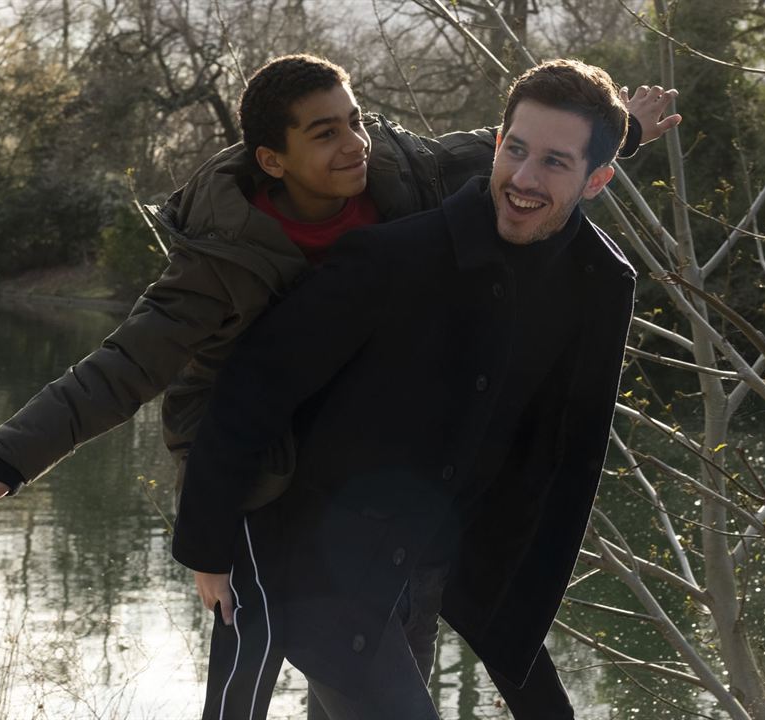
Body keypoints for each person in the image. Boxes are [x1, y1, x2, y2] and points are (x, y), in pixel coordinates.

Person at [0, 53, 679, 717]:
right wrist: (11, 461)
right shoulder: (222, 260)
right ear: (273, 159)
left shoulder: (402, 174)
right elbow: (125, 368)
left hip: (389, 500)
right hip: (270, 476)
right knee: (264, 663)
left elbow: (517, 153)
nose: (353, 144)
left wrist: (625, 131)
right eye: (324, 134)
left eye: (355, 121)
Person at [174, 58, 645, 719]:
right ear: (496, 143)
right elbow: (253, 388)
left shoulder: (598, 284)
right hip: (320, 568)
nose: (523, 178)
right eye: (514, 149)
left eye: (554, 162)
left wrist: (513, 595)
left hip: (432, 571)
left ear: (597, 179)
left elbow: (565, 455)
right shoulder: (389, 260)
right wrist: (208, 546)